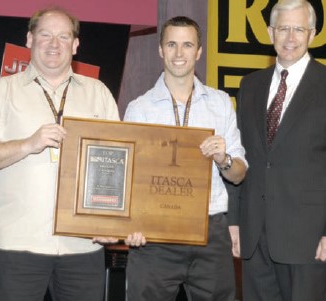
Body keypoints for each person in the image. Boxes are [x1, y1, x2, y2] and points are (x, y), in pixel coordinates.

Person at [0, 7, 120, 301]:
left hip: (83, 246)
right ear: (29, 39)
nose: (54, 44)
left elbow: (117, 166)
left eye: (63, 36)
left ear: (75, 45)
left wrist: (111, 223)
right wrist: (28, 144)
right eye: (45, 35)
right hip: (17, 245)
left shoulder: (99, 93)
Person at [229, 0, 326, 300]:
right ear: (270, 32)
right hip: (255, 240)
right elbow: (241, 157)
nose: (290, 38)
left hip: (311, 240)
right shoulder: (249, 85)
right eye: (283, 29)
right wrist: (235, 221)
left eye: (299, 29)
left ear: (312, 34)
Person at [123, 16, 247, 300]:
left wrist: (223, 158)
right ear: (160, 50)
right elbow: (129, 179)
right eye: (172, 44)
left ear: (199, 51)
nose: (179, 54)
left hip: (209, 229)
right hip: (154, 233)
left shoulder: (220, 103)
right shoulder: (139, 108)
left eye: (187, 45)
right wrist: (131, 225)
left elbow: (239, 173)